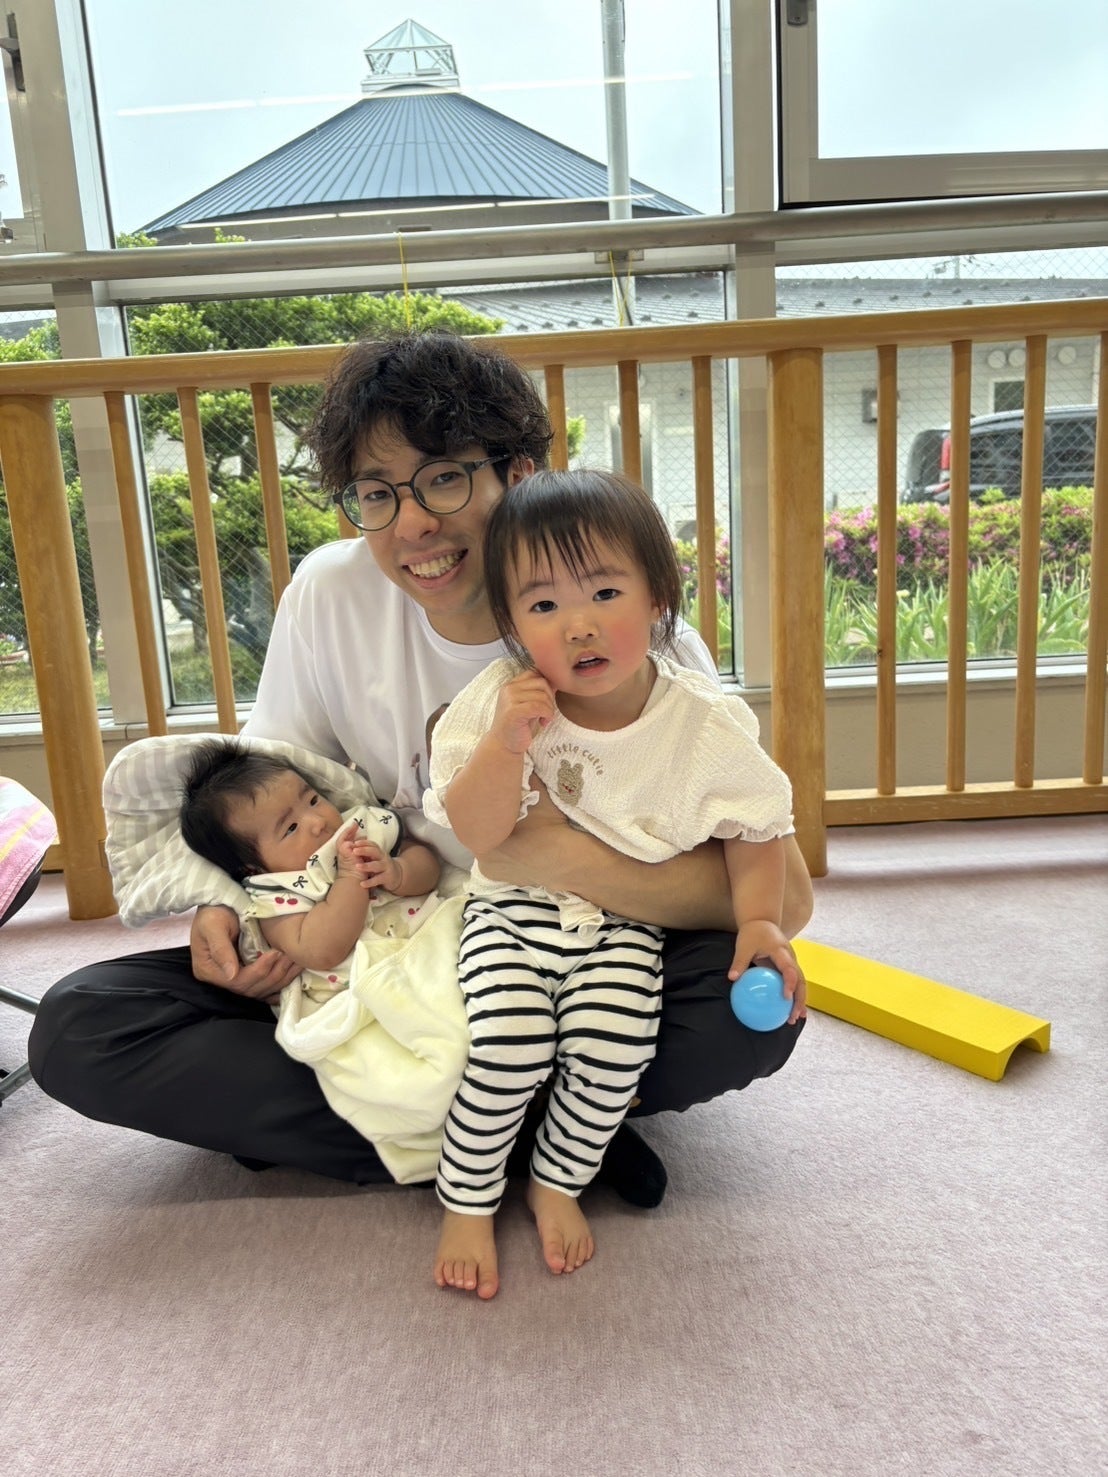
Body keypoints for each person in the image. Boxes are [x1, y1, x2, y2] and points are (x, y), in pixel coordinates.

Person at [28, 328, 811, 1203]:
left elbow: (784, 896)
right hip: (379, 944)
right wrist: (224, 901)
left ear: (518, 474)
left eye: (443, 477)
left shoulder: (632, 644)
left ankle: (428, 1124)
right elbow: (263, 790)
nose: (412, 525)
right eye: (377, 493)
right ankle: (546, 1133)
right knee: (80, 1027)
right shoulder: (329, 597)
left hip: (574, 953)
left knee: (755, 1012)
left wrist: (546, 854)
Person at [425, 469, 803, 1297]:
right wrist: (504, 745)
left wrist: (758, 922)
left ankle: (556, 1180)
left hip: (625, 923)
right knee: (507, 1041)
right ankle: (467, 1199)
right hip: (510, 913)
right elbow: (479, 834)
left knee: (615, 1047)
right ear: (512, 624)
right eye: (543, 604)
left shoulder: (699, 719)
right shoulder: (499, 701)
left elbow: (755, 824)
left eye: (604, 591)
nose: (580, 624)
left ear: (659, 597)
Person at [178, 740, 441, 995]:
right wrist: (350, 879)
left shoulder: (357, 828)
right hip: (366, 987)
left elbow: (428, 865)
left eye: (313, 800)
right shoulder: (277, 894)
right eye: (291, 828)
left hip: (435, 941)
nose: (317, 822)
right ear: (253, 869)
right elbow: (320, 951)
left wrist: (399, 872)